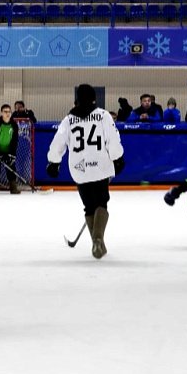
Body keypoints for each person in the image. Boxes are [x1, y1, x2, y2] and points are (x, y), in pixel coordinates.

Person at [46, 84, 125, 259]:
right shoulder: (103, 116)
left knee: (89, 206)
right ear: (94, 98)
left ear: (77, 100)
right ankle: (98, 240)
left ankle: (97, 243)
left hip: (79, 169)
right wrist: (118, 158)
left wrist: (53, 162)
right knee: (101, 203)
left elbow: (58, 142)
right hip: (101, 167)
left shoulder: (68, 119)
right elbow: (112, 139)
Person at [0, 103, 20, 194]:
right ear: (1, 113)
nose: (7, 113)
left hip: (9, 151)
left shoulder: (14, 125)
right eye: (5, 112)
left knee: (11, 169)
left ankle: (13, 187)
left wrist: (12, 154)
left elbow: (15, 140)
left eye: (9, 111)